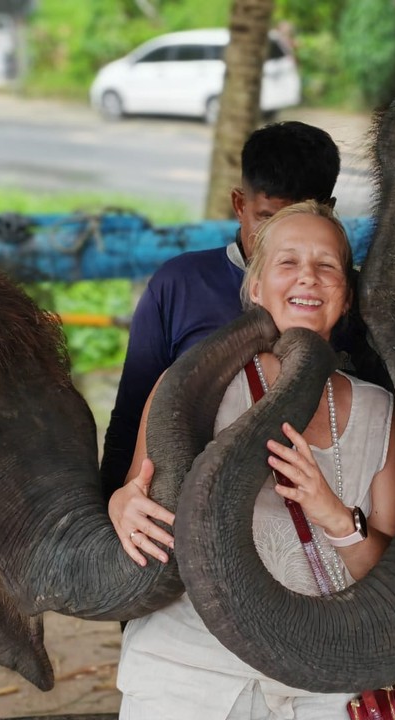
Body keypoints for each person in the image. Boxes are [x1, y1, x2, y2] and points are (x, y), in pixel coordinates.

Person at [108, 201, 395, 720]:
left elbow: (393, 581)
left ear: (346, 295)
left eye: (328, 266)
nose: (308, 276)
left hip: (320, 686)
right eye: (289, 261)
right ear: (255, 284)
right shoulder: (188, 388)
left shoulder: (378, 409)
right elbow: (136, 495)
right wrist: (120, 507)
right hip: (188, 681)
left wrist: (333, 516)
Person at [99, 121, 342, 500]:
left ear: (327, 212)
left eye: (298, 219)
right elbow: (129, 420)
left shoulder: (336, 296)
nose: (281, 238)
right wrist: (116, 503)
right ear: (240, 205)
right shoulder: (179, 285)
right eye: (267, 218)